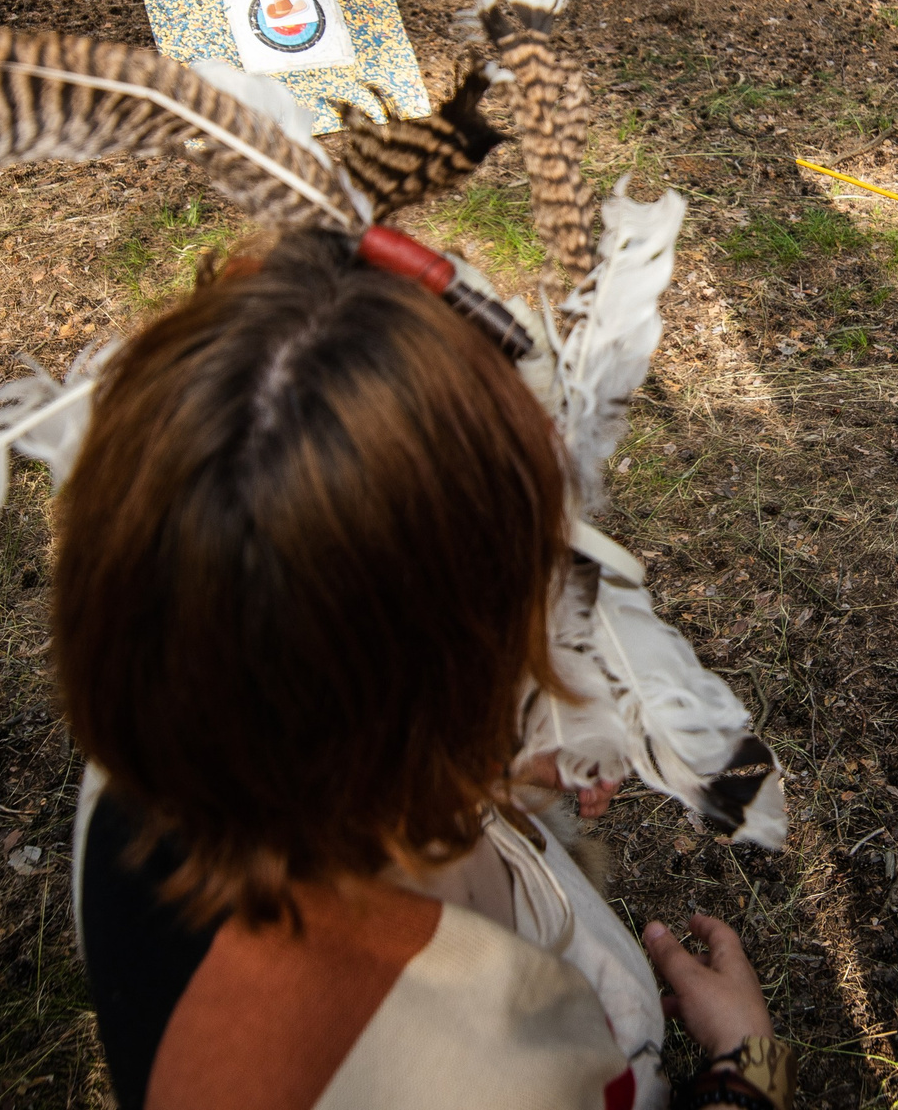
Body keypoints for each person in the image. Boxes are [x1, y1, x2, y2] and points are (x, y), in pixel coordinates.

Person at [57, 232, 791, 1110]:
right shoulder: (489, 1079)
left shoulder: (155, 752)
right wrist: (747, 1066)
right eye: (528, 588)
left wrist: (490, 769)